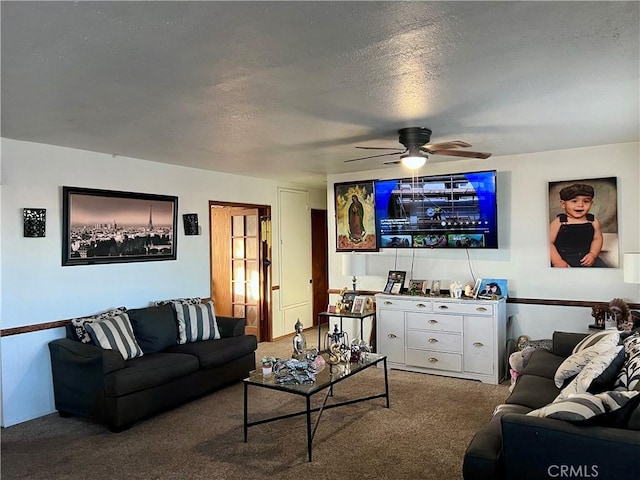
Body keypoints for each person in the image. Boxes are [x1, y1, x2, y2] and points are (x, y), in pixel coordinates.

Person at [549, 183, 606, 267]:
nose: (580, 205)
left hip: (586, 258)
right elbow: (549, 243)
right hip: (563, 258)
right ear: (563, 204)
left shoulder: (593, 221)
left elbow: (597, 239)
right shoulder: (558, 222)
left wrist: (593, 254)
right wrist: (557, 261)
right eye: (574, 201)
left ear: (591, 203)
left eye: (586, 201)